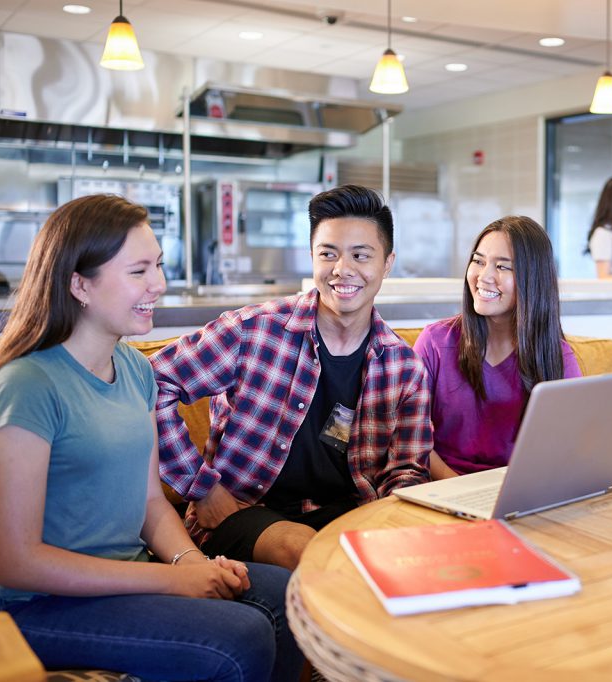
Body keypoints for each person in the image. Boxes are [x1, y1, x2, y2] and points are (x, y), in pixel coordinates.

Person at [0, 194, 302, 681]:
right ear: (80, 284)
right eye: (139, 270)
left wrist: (193, 562)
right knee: (241, 636)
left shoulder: (134, 368)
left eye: (159, 266)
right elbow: (17, 562)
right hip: (36, 605)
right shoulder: (26, 386)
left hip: (125, 577)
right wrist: (172, 580)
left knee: (289, 595)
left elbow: (149, 502)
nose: (159, 285)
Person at [152, 184, 432, 570]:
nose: (342, 269)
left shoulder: (403, 368)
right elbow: (152, 384)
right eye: (328, 254)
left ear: (387, 263)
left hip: (348, 516)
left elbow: (407, 470)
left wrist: (389, 528)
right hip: (243, 509)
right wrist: (200, 488)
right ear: (312, 258)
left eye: (360, 255)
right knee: (302, 547)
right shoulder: (253, 331)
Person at [414, 216, 582, 479]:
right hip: (443, 486)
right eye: (478, 261)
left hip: (518, 490)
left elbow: (568, 449)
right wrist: (456, 488)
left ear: (532, 279)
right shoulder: (436, 341)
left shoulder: (558, 356)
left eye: (503, 267)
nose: (484, 276)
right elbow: (410, 433)